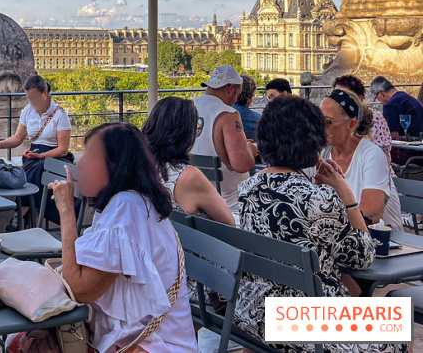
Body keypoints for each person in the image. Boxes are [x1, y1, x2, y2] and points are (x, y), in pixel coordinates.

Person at [234, 96, 376, 353]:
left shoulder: (247, 189)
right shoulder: (318, 199)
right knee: (398, 325)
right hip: (303, 322)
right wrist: (346, 195)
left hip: (257, 311)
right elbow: (364, 256)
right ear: (313, 142)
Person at [49, 123, 197, 353]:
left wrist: (67, 211)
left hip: (155, 345)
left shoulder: (125, 208)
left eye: (91, 155)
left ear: (116, 165)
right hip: (143, 339)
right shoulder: (131, 202)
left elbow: (78, 289)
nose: (80, 163)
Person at [0, 75, 73, 228]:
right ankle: (30, 220)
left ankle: (20, 213)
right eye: (29, 98)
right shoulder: (28, 111)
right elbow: (18, 138)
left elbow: (62, 149)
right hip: (34, 156)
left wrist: (41, 156)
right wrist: (0, 145)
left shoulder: (60, 115)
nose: (31, 102)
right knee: (35, 169)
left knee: (37, 170)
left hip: (54, 157)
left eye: (34, 97)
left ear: (44, 92)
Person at [142, 97, 234, 226]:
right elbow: (229, 222)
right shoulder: (187, 176)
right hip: (188, 244)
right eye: (196, 129)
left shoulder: (137, 166)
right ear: (185, 134)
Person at [320, 89, 403, 229]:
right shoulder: (324, 154)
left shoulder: (372, 155)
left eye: (328, 122)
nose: (320, 127)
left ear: (352, 125)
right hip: (344, 238)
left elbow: (370, 213)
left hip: (389, 244)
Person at [191, 66, 258, 210]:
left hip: (197, 194)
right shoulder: (228, 114)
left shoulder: (190, 107)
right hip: (230, 202)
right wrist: (250, 150)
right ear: (231, 88)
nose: (235, 100)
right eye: (237, 93)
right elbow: (242, 165)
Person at [333, 75, 391, 163]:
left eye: (343, 96)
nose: (337, 99)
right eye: (334, 95)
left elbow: (373, 152)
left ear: (359, 98)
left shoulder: (374, 117)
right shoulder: (336, 117)